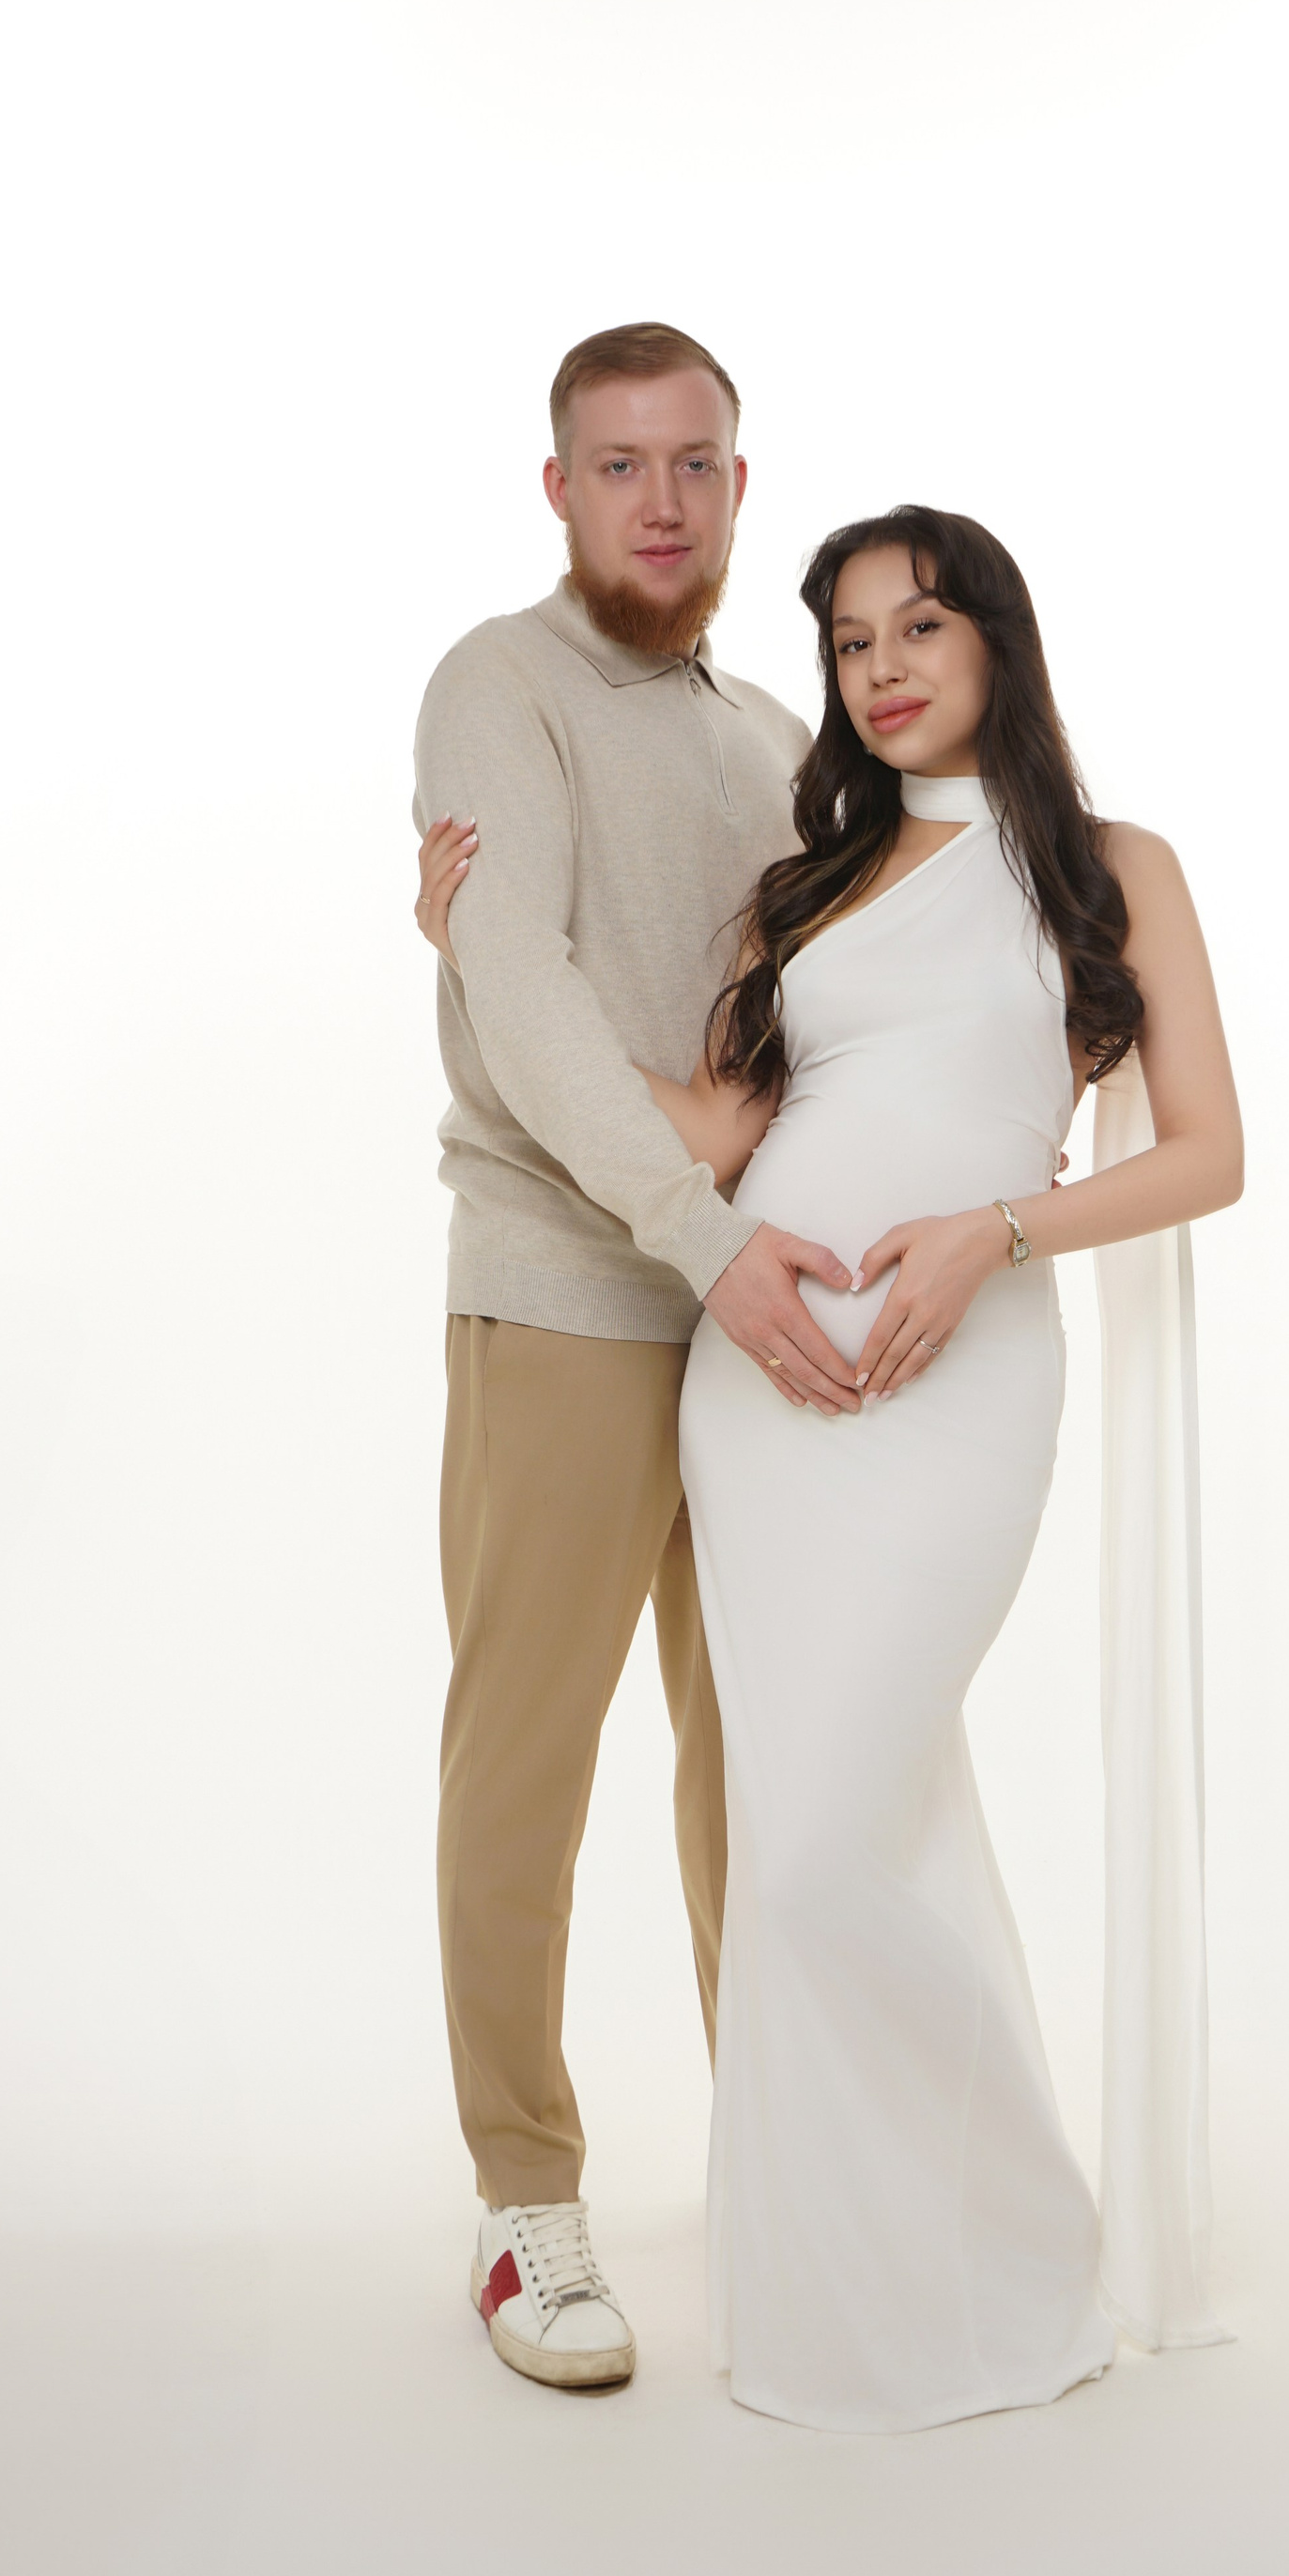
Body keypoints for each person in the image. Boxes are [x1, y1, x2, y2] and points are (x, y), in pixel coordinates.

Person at [427, 503, 1242, 2430]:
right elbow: (712, 1131)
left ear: (998, 643)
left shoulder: (1116, 869)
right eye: (852, 641)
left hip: (964, 1386)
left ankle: (999, 2246)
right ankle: (845, 2241)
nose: (881, 669)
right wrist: (476, 957)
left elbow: (1208, 1154)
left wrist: (996, 1234)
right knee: (799, 1828)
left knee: (824, 1839)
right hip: (760, 1386)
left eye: (920, 628)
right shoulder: (811, 886)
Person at [408, 322, 866, 2395]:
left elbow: (840, 993)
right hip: (576, 1296)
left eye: (695, 463)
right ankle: (526, 2204)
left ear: (740, 488)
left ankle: (783, 2163)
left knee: (758, 1764)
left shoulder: (773, 731)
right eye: (619, 464)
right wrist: (698, 1217)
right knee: (528, 1762)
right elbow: (521, 989)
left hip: (753, 1307)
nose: (660, 500)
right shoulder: (497, 686)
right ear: (560, 489)